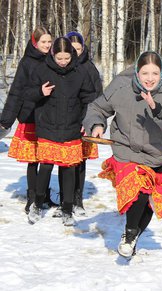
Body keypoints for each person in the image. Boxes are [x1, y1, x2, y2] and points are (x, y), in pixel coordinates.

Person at [83, 51, 162, 259]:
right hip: (126, 151)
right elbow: (97, 108)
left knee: (147, 203)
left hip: (157, 156)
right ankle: (129, 235)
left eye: (155, 73)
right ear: (137, 73)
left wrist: (157, 110)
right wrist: (96, 124)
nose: (150, 78)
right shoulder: (122, 87)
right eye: (145, 73)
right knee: (138, 192)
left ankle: (134, 236)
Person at [24, 37, 96, 226]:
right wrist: (40, 92)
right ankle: (37, 204)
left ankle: (67, 209)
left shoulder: (80, 72)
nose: (63, 62)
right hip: (47, 126)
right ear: (52, 55)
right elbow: (27, 94)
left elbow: (90, 97)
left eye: (66, 58)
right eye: (59, 58)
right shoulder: (41, 69)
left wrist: (85, 120)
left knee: (69, 168)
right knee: (46, 167)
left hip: (72, 126)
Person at [0, 26, 56, 213]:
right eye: (43, 42)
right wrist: (6, 120)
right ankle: (32, 197)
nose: (47, 45)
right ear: (35, 42)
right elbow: (17, 92)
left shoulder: (53, 59)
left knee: (48, 158)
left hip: (49, 116)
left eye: (49, 41)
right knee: (33, 160)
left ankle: (44, 195)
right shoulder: (27, 62)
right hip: (31, 115)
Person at [49, 31, 103, 217]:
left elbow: (95, 97)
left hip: (83, 122)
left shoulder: (88, 68)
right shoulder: (61, 69)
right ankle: (65, 198)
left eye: (78, 49)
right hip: (66, 124)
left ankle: (77, 199)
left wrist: (87, 120)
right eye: (73, 50)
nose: (76, 53)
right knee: (64, 161)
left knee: (80, 162)